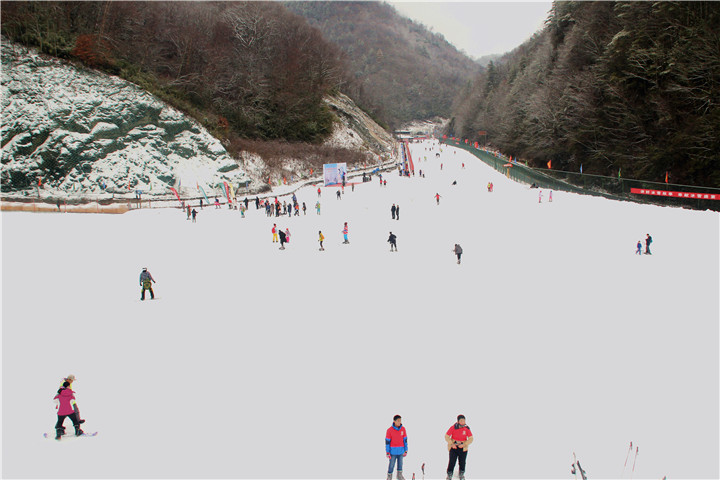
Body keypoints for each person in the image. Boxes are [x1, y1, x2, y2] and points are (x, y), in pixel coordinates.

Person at [445, 415, 473, 480]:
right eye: (461, 421)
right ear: (458, 421)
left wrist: (464, 444)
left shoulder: (466, 428)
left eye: (464, 420)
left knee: (462, 462)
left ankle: (461, 473)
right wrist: (451, 444)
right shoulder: (453, 427)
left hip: (463, 448)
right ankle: (449, 474)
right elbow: (446, 436)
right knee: (452, 461)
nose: (463, 422)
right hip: (454, 448)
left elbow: (471, 438)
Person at [385, 415, 408, 480]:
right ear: (394, 421)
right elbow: (387, 442)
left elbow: (405, 440)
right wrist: (387, 452)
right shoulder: (389, 430)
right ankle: (389, 477)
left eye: (400, 420)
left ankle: (399, 476)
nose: (399, 422)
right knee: (391, 465)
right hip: (393, 452)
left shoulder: (403, 429)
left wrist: (406, 450)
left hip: (401, 451)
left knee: (400, 465)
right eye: (398, 421)